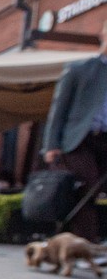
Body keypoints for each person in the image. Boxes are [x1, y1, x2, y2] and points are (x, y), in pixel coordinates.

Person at [41, 19, 107, 242]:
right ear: (103, 36)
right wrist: (51, 145)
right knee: (86, 190)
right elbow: (58, 109)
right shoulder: (80, 69)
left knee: (97, 192)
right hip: (79, 141)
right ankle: (83, 245)